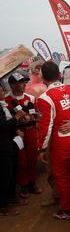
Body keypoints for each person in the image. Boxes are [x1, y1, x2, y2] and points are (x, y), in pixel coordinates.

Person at [37, 61, 70, 220]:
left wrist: (42, 149)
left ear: (43, 79)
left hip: (61, 142)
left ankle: (67, 210)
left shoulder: (45, 98)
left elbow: (46, 128)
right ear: (59, 75)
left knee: (61, 176)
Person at [5, 72, 42, 198]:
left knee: (32, 159)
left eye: (24, 82)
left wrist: (36, 119)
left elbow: (37, 116)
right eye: (20, 82)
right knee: (22, 161)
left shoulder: (31, 98)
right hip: (17, 134)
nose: (23, 85)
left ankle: (32, 183)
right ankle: (23, 185)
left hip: (31, 131)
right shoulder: (6, 100)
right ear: (12, 85)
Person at [0, 84, 27, 216]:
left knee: (12, 173)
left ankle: (11, 197)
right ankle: (3, 206)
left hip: (11, 143)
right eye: (0, 90)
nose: (3, 92)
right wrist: (16, 117)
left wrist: (16, 129)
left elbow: (9, 121)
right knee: (4, 177)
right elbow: (3, 126)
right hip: (2, 147)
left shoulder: (4, 105)